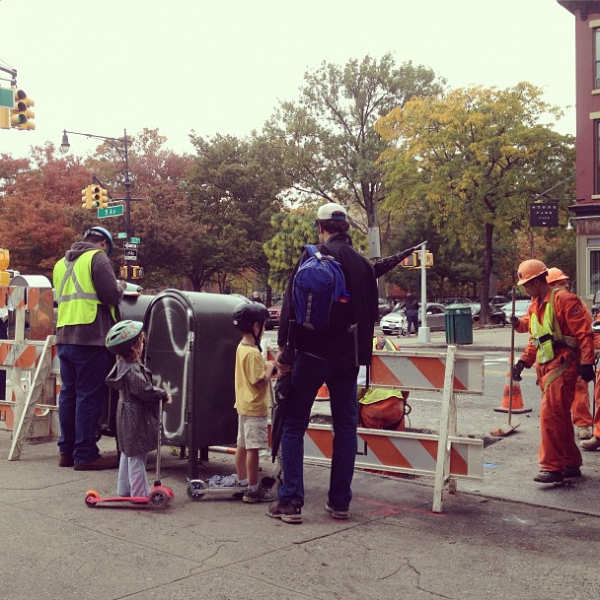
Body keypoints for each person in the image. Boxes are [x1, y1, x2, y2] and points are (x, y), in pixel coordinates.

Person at [268, 202, 378, 524]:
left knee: (293, 425)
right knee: (345, 427)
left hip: (311, 355)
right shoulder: (364, 265)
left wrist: (285, 355)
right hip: (348, 360)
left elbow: (292, 308)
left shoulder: (313, 256)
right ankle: (340, 502)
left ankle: (290, 502)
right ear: (346, 228)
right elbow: (371, 316)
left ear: (321, 227)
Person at [511, 259, 594, 484]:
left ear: (538, 281)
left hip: (563, 366)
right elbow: (536, 339)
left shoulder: (564, 300)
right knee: (559, 419)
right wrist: (523, 362)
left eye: (527, 284)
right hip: (547, 368)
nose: (525, 289)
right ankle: (570, 462)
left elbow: (584, 334)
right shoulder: (536, 305)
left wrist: (587, 362)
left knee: (549, 417)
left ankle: (551, 467)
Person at [52, 226, 127, 471]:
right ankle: (85, 455)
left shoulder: (60, 264)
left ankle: (67, 451)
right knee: (88, 396)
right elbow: (109, 296)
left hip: (64, 336)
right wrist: (121, 287)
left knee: (69, 395)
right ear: (103, 243)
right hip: (91, 337)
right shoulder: (97, 258)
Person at [105, 320, 169, 498]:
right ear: (134, 347)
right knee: (137, 455)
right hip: (136, 415)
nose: (143, 343)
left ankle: (124, 488)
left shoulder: (122, 366)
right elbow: (144, 390)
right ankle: (139, 493)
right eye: (141, 340)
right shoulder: (132, 370)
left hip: (126, 413)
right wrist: (162, 394)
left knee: (128, 452)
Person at [232, 301, 276, 504]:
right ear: (255, 327)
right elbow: (258, 381)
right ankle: (253, 488)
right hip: (254, 408)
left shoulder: (242, 347)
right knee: (253, 449)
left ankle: (241, 481)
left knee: (242, 444)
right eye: (264, 325)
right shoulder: (253, 354)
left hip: (243, 404)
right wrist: (270, 366)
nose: (264, 329)